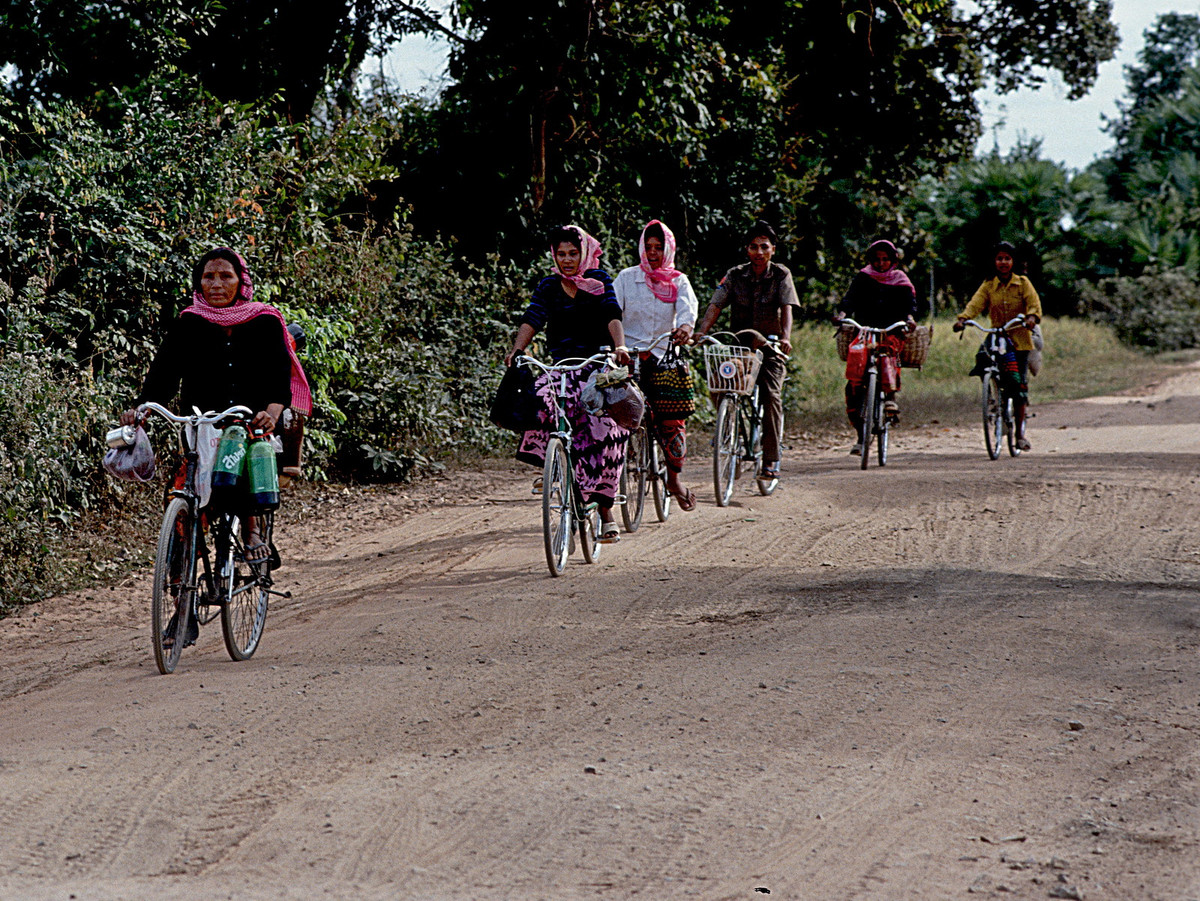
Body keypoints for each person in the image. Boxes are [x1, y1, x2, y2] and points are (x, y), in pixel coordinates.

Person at [121, 247, 311, 572]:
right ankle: (182, 585)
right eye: (208, 277)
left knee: (242, 464)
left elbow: (280, 374)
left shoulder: (264, 320)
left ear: (241, 281)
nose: (217, 284)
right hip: (200, 423)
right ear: (199, 282)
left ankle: (252, 532)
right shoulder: (188, 323)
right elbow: (163, 375)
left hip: (252, 420)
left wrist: (272, 413)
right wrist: (142, 408)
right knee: (184, 488)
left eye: (226, 276)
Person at [504, 225, 632, 543]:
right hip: (561, 366)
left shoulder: (599, 281)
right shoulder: (549, 286)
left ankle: (604, 509)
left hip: (597, 366)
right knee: (541, 399)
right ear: (554, 256)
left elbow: (612, 313)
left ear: (584, 253)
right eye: (561, 254)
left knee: (605, 427)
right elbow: (533, 317)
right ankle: (551, 467)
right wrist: (517, 350)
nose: (567, 260)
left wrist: (620, 346)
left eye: (573, 253)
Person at [693, 220, 798, 481]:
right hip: (739, 347)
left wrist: (785, 338)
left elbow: (787, 308)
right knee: (720, 383)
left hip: (770, 347)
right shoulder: (735, 275)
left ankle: (771, 459)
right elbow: (716, 305)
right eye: (753, 247)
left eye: (764, 247)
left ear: (773, 249)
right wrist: (701, 332)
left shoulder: (781, 274)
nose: (759, 252)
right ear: (746, 249)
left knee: (771, 396)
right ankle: (728, 436)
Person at [612, 220, 699, 511]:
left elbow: (688, 311)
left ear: (668, 249)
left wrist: (685, 329)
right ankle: (609, 480)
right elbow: (612, 312)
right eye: (648, 247)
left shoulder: (678, 281)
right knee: (613, 416)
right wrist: (617, 344)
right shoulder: (626, 278)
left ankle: (673, 480)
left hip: (664, 357)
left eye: (658, 248)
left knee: (673, 420)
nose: (652, 253)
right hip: (629, 358)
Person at [952, 241, 1042, 451]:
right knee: (983, 359)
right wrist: (963, 319)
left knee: (1018, 387)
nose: (1003, 262)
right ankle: (992, 396)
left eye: (1007, 258)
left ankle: (1020, 434)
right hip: (996, 336)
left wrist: (1031, 317)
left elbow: (1034, 304)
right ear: (994, 261)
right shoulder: (989, 285)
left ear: (1013, 262)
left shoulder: (1023, 283)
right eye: (1000, 258)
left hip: (1018, 340)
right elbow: (975, 303)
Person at [833, 239, 917, 454]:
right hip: (865, 331)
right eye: (877, 259)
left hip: (891, 331)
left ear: (892, 261)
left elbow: (909, 306)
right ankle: (862, 438)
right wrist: (841, 316)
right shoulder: (864, 277)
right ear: (871, 260)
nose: (881, 264)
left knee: (889, 353)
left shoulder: (901, 280)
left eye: (885, 259)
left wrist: (909, 319)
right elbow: (849, 300)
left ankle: (890, 397)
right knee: (854, 383)